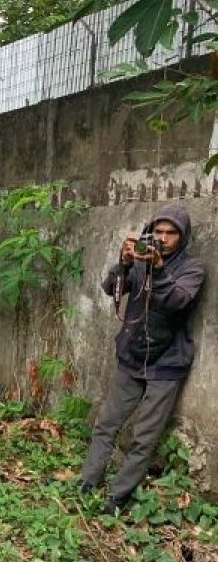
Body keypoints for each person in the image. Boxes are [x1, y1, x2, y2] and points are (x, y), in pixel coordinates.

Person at [80, 204, 205, 515]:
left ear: (182, 236)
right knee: (106, 425)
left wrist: (159, 268)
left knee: (143, 438)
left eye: (170, 233)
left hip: (167, 365)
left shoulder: (192, 269)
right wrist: (123, 265)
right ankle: (87, 483)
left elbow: (177, 301)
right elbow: (111, 289)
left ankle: (117, 498)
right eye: (157, 232)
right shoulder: (137, 259)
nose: (162, 238)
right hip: (132, 356)